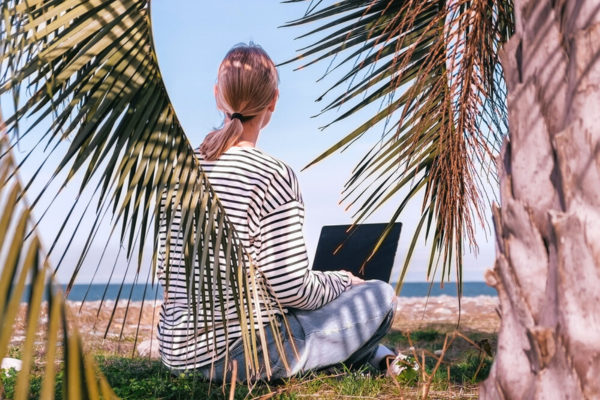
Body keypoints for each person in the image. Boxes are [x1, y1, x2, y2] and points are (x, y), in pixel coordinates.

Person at [156, 42, 406, 383]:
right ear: (273, 101)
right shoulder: (272, 174)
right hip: (238, 357)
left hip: (177, 354)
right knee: (380, 295)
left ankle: (372, 354)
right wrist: (344, 280)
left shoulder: (179, 171)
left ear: (218, 96)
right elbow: (292, 289)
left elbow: (168, 274)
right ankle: (368, 354)